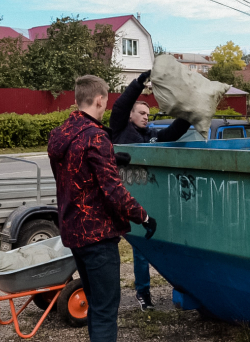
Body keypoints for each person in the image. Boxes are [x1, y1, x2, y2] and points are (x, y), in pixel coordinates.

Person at [48, 75, 157, 342]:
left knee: (96, 304)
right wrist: (143, 216)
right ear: (99, 99)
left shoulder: (60, 134)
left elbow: (77, 174)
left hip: (74, 233)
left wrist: (111, 160)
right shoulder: (96, 138)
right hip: (97, 236)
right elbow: (113, 192)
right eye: (106, 100)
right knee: (106, 309)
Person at [110, 70, 190, 311]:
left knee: (161, 244)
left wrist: (188, 111)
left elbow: (174, 132)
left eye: (147, 113)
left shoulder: (152, 134)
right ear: (131, 115)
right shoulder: (121, 130)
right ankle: (143, 293)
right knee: (140, 250)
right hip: (130, 198)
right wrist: (138, 83)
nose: (146, 117)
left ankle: (181, 284)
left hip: (155, 197)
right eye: (141, 113)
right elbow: (120, 108)